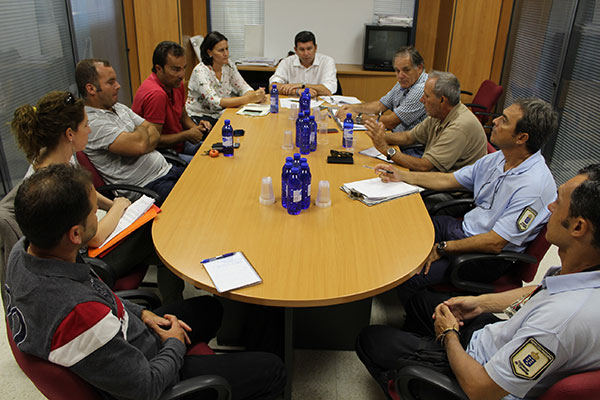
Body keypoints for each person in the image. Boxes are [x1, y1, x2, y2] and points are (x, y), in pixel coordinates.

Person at [4, 164, 286, 400]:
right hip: (150, 373)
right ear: (76, 234)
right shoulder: (79, 314)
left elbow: (98, 294)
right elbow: (146, 388)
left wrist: (143, 314)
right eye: (94, 212)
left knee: (211, 309)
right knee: (273, 368)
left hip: (125, 334)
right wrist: (174, 344)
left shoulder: (25, 250)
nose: (99, 215)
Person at [355, 163, 600, 400]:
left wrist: (449, 335)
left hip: (480, 373)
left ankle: (421, 372)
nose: (549, 206)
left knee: (370, 341)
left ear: (578, 227)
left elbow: (481, 389)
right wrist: (480, 303)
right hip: (497, 337)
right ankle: (423, 350)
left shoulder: (559, 323)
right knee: (422, 303)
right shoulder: (582, 274)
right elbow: (539, 291)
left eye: (558, 202)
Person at [373, 98, 558, 299]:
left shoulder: (533, 186)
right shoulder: (501, 157)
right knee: (403, 231)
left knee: (410, 275)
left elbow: (495, 242)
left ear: (521, 137)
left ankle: (417, 313)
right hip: (464, 228)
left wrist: (444, 248)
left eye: (504, 120)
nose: (495, 121)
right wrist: (402, 176)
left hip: (485, 256)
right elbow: (449, 180)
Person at [10, 90, 130, 248]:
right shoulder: (52, 185)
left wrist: (116, 206)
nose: (89, 130)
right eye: (85, 125)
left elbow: (86, 192)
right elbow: (93, 239)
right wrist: (118, 207)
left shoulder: (61, 154)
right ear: (70, 134)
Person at [76, 58, 183, 205]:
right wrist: (141, 132)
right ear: (91, 89)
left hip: (167, 170)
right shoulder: (92, 123)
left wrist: (140, 138)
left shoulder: (118, 107)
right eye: (111, 82)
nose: (118, 86)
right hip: (148, 188)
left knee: (207, 181)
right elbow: (139, 145)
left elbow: (154, 132)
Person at [363, 71, 487, 172]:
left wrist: (386, 150)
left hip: (448, 190)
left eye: (427, 96)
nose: (422, 100)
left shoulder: (459, 127)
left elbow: (425, 166)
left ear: (442, 100)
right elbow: (408, 137)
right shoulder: (439, 114)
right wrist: (380, 136)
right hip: (432, 176)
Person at [132, 41, 211, 163]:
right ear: (159, 69)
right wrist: (186, 135)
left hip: (179, 143)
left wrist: (197, 129)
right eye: (175, 69)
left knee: (218, 150)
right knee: (205, 164)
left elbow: (183, 116)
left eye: (184, 68)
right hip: (161, 154)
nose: (182, 75)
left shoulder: (175, 83)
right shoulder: (156, 95)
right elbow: (153, 141)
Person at [336, 46, 427, 134]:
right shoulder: (406, 82)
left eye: (406, 70)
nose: (400, 76)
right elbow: (380, 105)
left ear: (419, 68)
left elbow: (391, 122)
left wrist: (357, 117)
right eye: (397, 71)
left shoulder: (421, 89)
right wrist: (352, 107)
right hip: (395, 135)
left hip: (407, 143)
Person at [186, 31, 266, 126]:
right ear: (209, 52)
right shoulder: (200, 71)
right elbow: (215, 102)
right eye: (221, 50)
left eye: (227, 49)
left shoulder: (228, 65)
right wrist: (249, 98)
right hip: (201, 117)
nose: (226, 53)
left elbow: (244, 87)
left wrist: (255, 95)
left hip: (221, 113)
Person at [269, 30, 337, 97]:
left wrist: (302, 85)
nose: (306, 53)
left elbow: (328, 90)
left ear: (315, 48)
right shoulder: (286, 62)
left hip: (319, 102)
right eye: (302, 49)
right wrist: (297, 91)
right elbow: (272, 87)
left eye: (309, 49)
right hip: (292, 102)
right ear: (296, 50)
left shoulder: (327, 61)